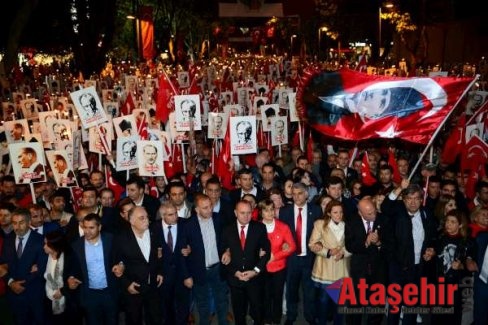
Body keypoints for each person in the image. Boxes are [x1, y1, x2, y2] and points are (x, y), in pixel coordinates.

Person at [180, 194, 231, 325]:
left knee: (222, 300)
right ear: (196, 209)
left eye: (211, 206)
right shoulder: (187, 225)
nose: (210, 210)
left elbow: (228, 240)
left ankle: (223, 322)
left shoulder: (219, 219)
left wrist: (228, 251)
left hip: (218, 268)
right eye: (205, 208)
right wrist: (186, 275)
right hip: (198, 270)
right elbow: (182, 253)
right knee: (202, 303)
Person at [66, 213, 121, 325]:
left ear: (99, 227)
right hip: (89, 295)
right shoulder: (76, 245)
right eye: (85, 227)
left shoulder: (110, 239)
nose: (87, 231)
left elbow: (120, 257)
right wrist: (71, 278)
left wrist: (121, 265)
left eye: (91, 227)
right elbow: (72, 267)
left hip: (109, 292)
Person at [279, 182, 322, 325]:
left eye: (299, 193)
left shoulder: (316, 211)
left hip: (309, 258)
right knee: (291, 290)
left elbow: (321, 233)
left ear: (306, 194)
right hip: (291, 259)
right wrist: (282, 243)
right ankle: (291, 316)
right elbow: (280, 233)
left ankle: (310, 317)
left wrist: (320, 244)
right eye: (294, 194)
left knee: (309, 291)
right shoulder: (284, 212)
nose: (296, 197)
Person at [222, 200, 270, 325]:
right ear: (235, 213)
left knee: (258, 312)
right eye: (242, 213)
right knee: (239, 313)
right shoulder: (227, 230)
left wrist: (255, 271)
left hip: (254, 279)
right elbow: (222, 253)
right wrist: (235, 272)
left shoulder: (260, 228)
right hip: (235, 278)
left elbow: (266, 253)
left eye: (249, 213)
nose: (246, 216)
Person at [113, 206, 163, 325]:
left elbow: (159, 255)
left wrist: (160, 272)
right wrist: (126, 284)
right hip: (133, 288)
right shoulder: (120, 238)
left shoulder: (154, 232)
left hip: (153, 287)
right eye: (142, 218)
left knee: (155, 319)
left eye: (147, 217)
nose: (146, 220)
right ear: (131, 221)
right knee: (134, 320)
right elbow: (116, 264)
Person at [345, 198, 388, 325]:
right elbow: (349, 245)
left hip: (379, 269)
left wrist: (379, 243)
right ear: (360, 213)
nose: (373, 215)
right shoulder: (351, 221)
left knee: (377, 304)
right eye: (369, 214)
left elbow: (391, 244)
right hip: (359, 269)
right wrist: (366, 242)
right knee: (355, 303)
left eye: (374, 211)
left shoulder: (384, 219)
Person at [1, 208, 48, 324]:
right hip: (13, 296)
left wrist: (21, 284)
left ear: (28, 222)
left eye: (21, 223)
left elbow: (42, 269)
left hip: (34, 295)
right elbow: (2, 266)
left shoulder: (41, 241)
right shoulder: (8, 241)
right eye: (14, 223)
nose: (17, 226)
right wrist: (11, 283)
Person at [310, 200, 350, 325]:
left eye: (341, 212)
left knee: (339, 303)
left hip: (341, 269)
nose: (339, 215)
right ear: (328, 213)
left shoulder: (347, 225)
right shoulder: (320, 224)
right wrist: (327, 251)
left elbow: (352, 246)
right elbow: (312, 244)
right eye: (335, 212)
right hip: (324, 269)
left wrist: (343, 252)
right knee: (323, 302)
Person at [432, 209, 474, 324]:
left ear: (460, 224)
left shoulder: (467, 242)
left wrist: (461, 266)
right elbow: (435, 258)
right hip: (439, 284)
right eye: (447, 221)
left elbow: (472, 267)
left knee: (453, 318)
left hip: (456, 287)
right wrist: (430, 254)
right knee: (437, 317)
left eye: (453, 222)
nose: (448, 224)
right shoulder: (440, 237)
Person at [151, 202, 190, 325]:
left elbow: (193, 242)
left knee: (183, 305)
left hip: (182, 273)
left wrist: (190, 249)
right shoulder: (154, 228)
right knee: (166, 306)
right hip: (163, 275)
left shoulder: (185, 224)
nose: (175, 217)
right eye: (171, 215)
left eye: (176, 213)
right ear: (163, 216)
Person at [259, 199, 296, 325]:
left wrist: (275, 256)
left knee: (278, 296)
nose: (269, 213)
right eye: (266, 210)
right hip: (262, 268)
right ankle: (266, 320)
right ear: (261, 212)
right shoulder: (256, 227)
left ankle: (276, 320)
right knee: (264, 295)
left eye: (271, 209)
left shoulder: (283, 227)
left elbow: (292, 247)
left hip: (279, 267)